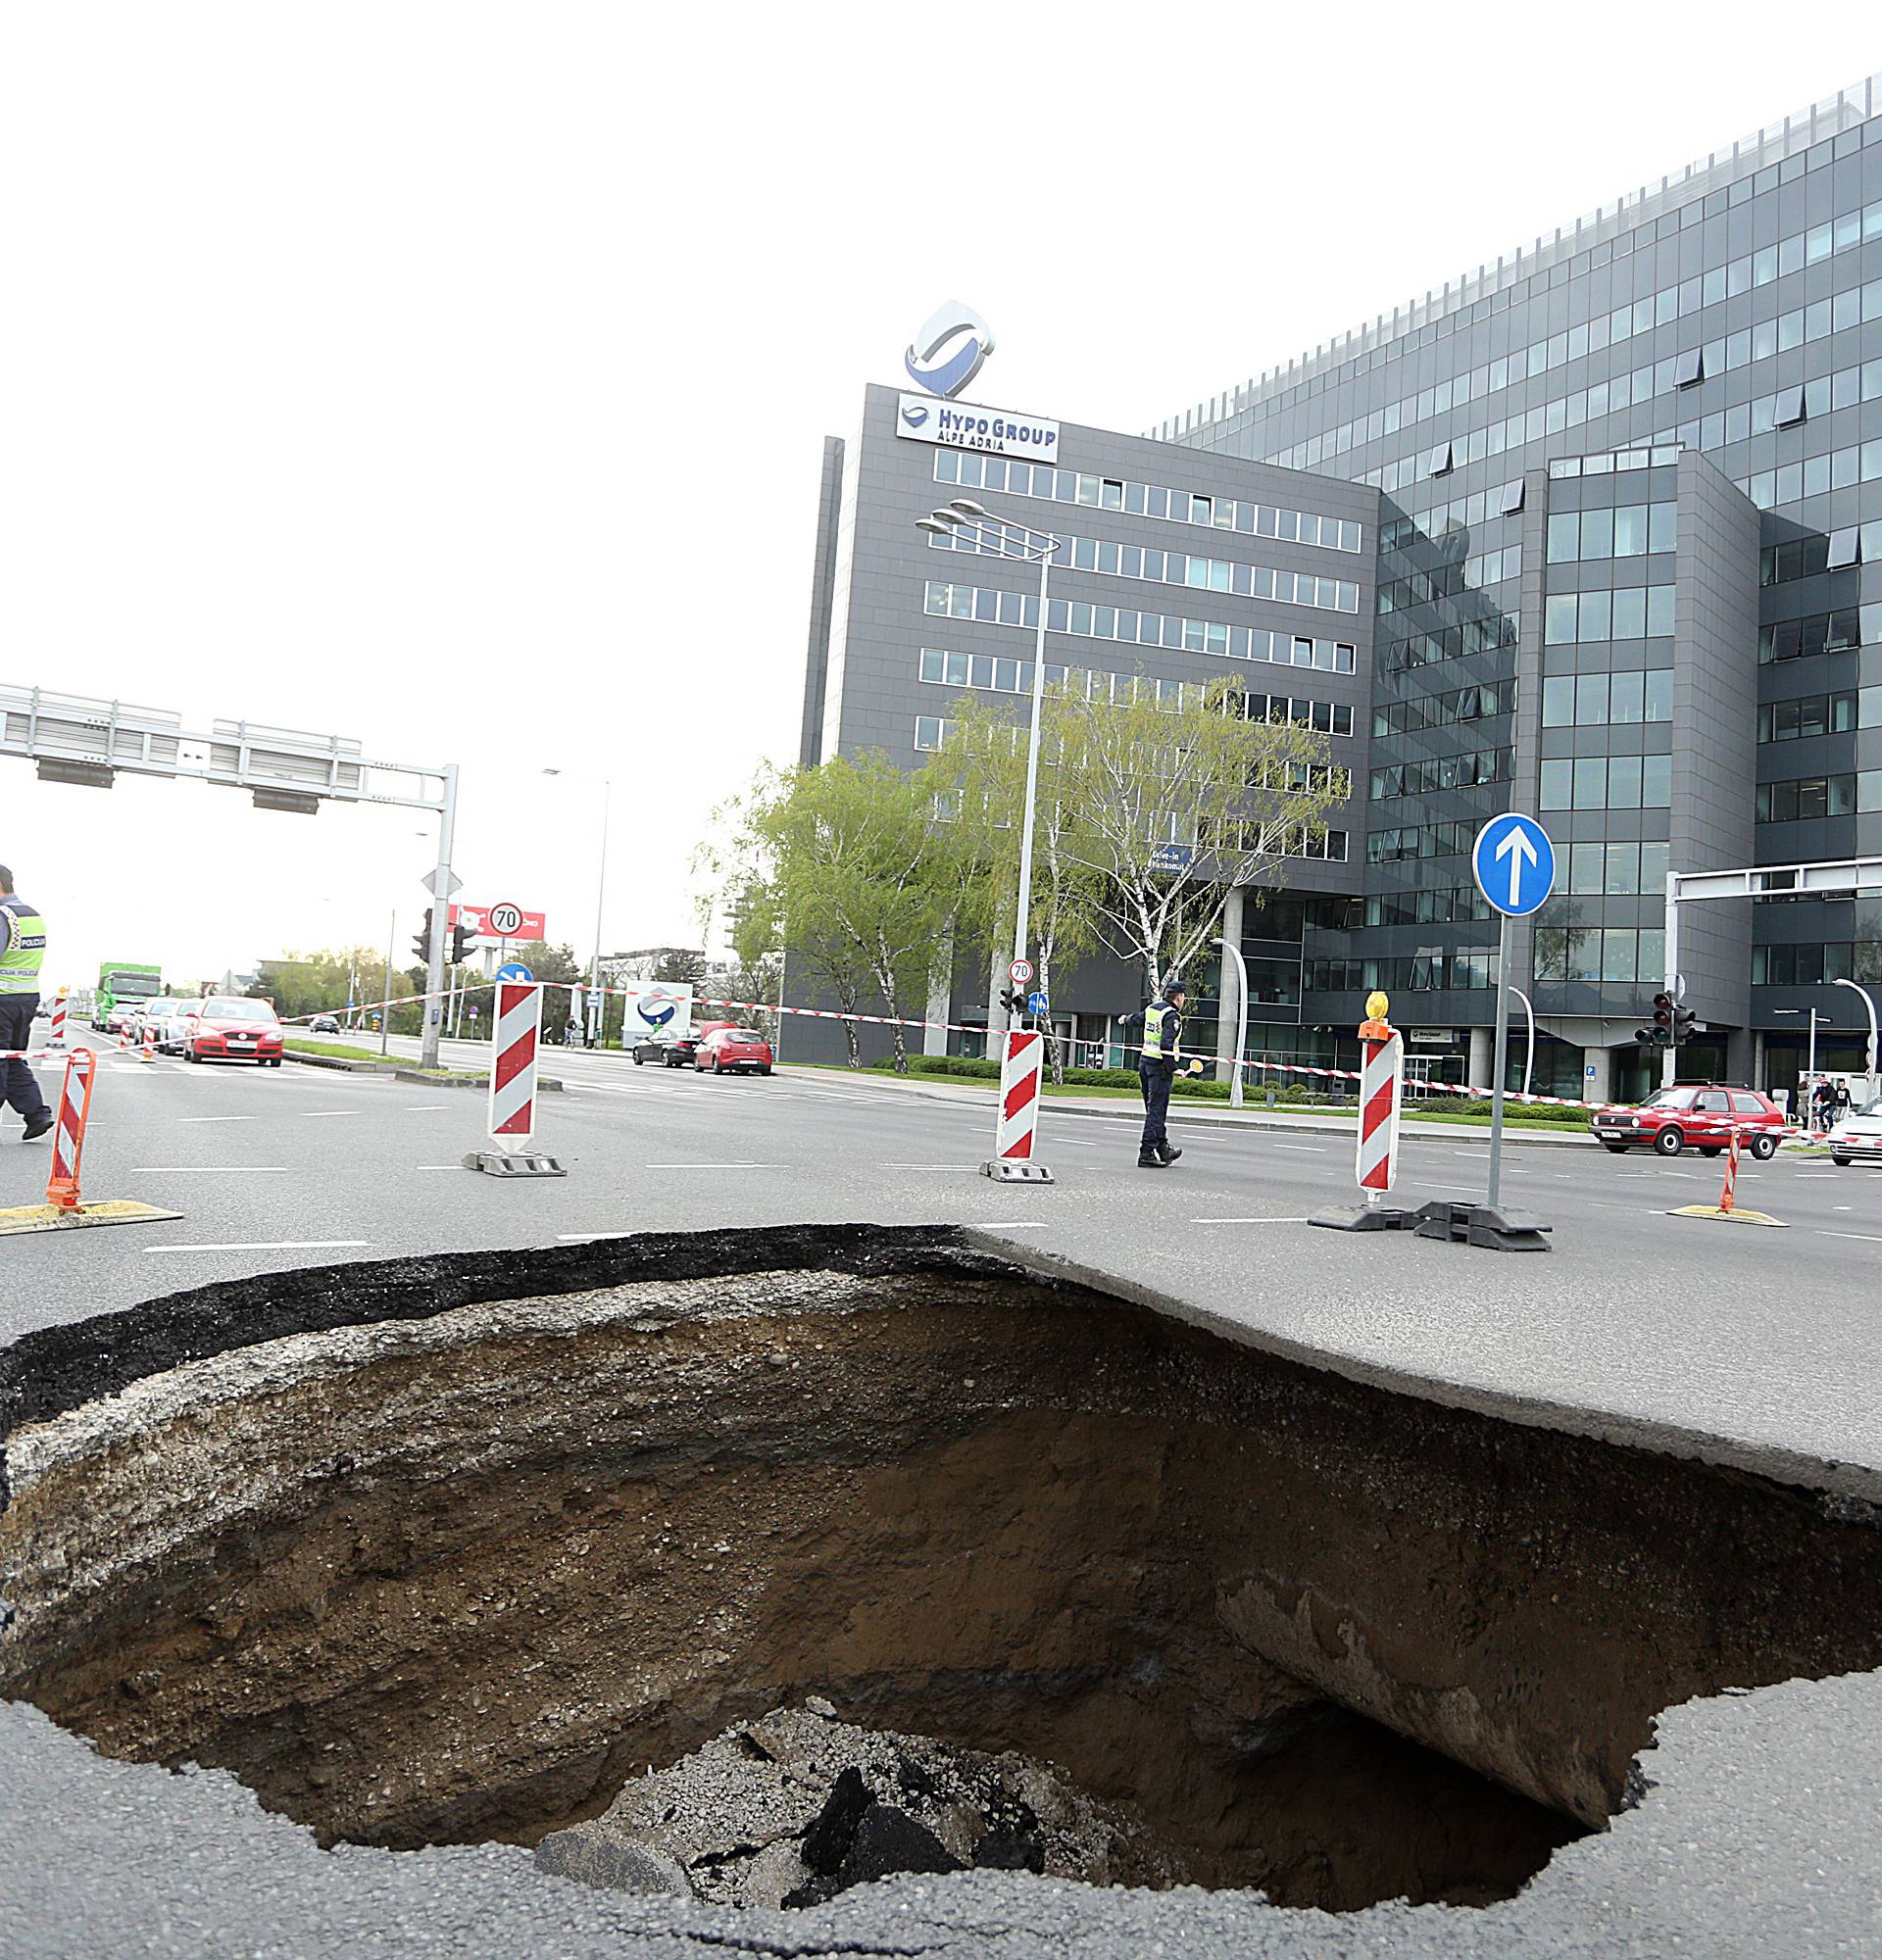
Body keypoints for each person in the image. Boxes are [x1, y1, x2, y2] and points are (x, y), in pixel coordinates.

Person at [0, 864, 54, 1143]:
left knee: (2, 1059)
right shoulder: (32, 916)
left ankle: (36, 1113)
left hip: (2, 998)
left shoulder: (2, 916)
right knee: (12, 1058)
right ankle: (36, 1114)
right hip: (25, 997)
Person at [1125, 980, 1188, 1169]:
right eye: (1184, 997)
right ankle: (1146, 1152)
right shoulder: (1171, 1016)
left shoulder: (1154, 1008)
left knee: (1153, 1109)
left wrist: (1124, 1020)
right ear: (1179, 997)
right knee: (1156, 1110)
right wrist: (1174, 1068)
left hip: (1145, 1063)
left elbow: (1137, 1019)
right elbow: (1166, 1045)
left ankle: (1162, 1148)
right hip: (1160, 1067)